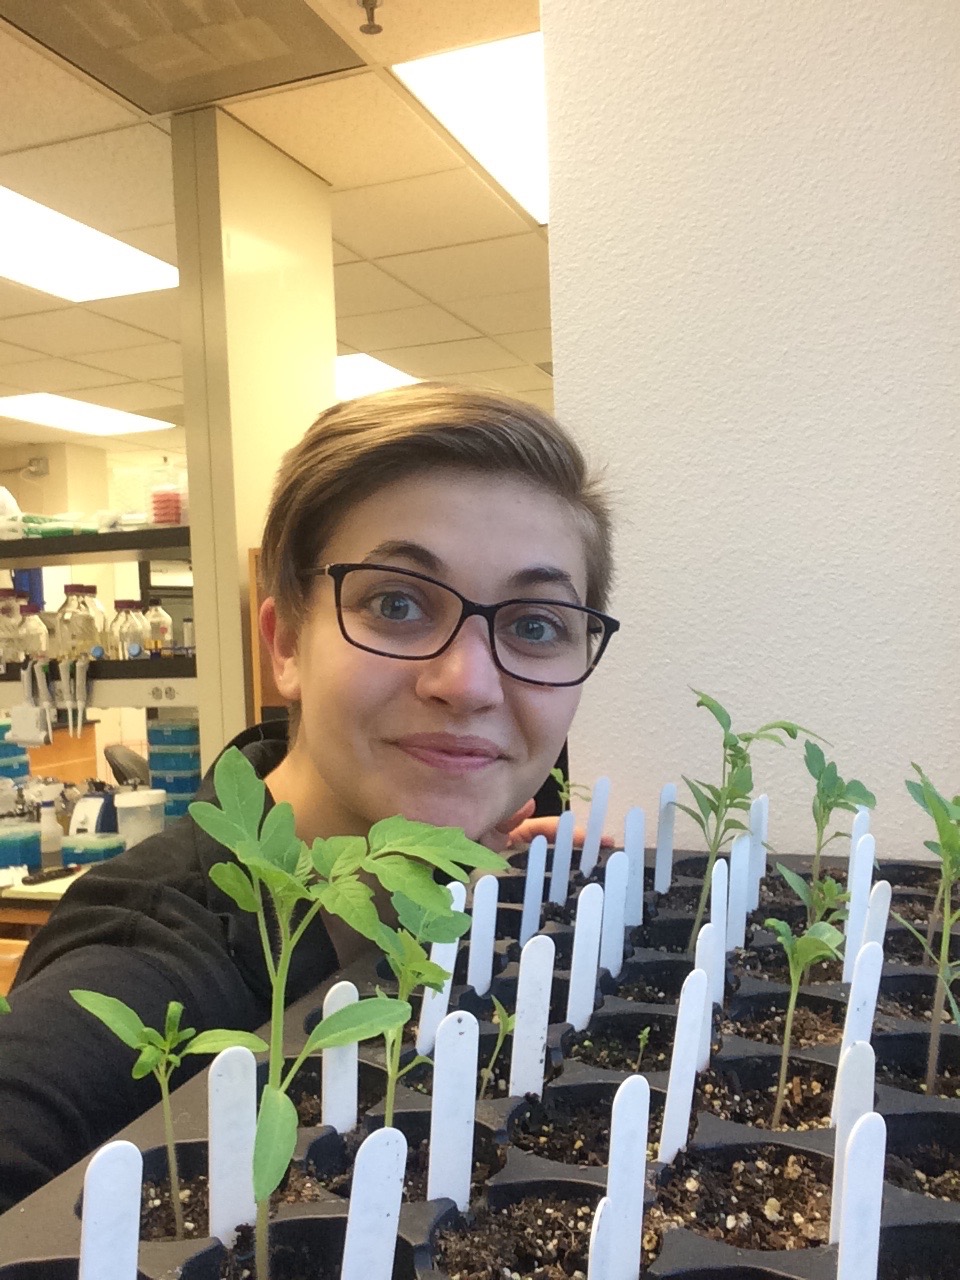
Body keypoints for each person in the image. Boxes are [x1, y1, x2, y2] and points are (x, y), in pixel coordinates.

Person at [0, 382, 618, 1213]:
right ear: (286, 642)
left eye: (535, 624)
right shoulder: (162, 951)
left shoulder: (435, 867)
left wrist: (497, 876)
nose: (468, 683)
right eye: (397, 604)